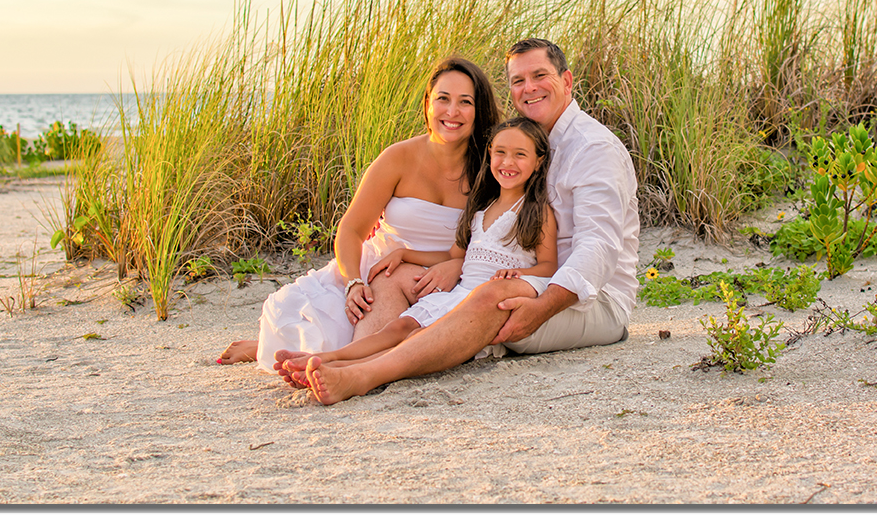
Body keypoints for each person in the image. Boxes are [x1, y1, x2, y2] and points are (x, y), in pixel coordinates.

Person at [302, 38, 640, 404]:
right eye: (517, 81)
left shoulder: (594, 148)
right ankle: (338, 357)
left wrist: (540, 309)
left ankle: (365, 375)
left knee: (492, 294)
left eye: (540, 75)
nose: (528, 88)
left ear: (567, 81)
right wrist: (422, 257)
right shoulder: (522, 143)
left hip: (590, 303)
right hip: (527, 284)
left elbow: (598, 249)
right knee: (404, 278)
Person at [216, 56, 501, 371]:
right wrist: (353, 282)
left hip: (447, 272)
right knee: (306, 326)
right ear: (427, 104)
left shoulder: (493, 169)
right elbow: (351, 229)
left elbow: (501, 239)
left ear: (479, 111)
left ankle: (346, 367)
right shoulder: (398, 158)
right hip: (382, 267)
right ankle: (282, 350)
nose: (452, 112)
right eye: (442, 99)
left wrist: (456, 263)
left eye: (465, 102)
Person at [273, 117, 558, 385]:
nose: (508, 162)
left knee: (418, 338)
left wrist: (521, 273)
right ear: (490, 154)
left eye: (520, 155)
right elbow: (454, 258)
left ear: (538, 161)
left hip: (481, 301)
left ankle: (345, 370)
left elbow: (549, 267)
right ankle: (328, 358)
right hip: (459, 292)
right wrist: (405, 254)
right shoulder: (479, 209)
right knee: (397, 328)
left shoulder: (536, 212)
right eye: (500, 152)